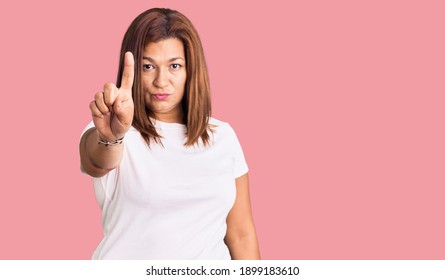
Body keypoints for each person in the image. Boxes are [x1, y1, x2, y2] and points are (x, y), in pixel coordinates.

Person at [79, 7, 260, 260]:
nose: (161, 81)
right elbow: (97, 161)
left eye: (174, 65)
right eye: (147, 66)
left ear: (190, 70)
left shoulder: (223, 137)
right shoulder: (110, 129)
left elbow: (241, 234)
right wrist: (112, 137)